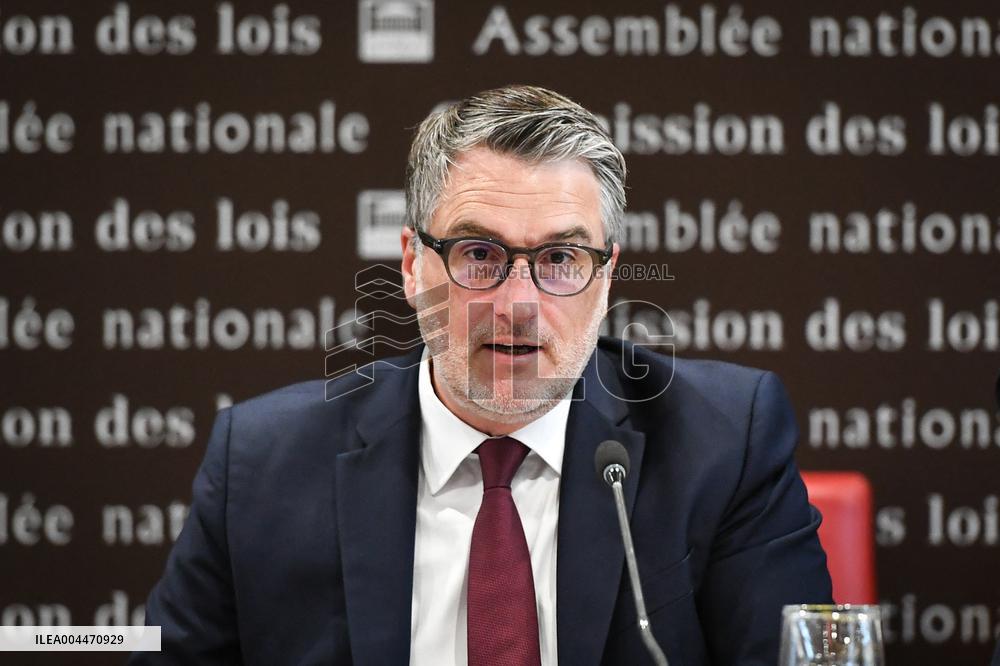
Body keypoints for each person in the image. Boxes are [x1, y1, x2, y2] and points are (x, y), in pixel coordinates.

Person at [131, 84, 832, 665]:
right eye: (478, 254)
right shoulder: (262, 463)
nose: (519, 304)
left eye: (560, 259)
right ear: (412, 265)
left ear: (607, 277)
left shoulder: (724, 444)